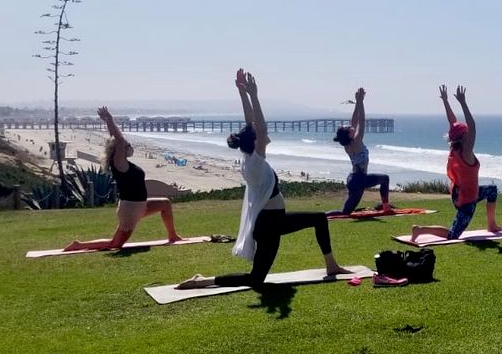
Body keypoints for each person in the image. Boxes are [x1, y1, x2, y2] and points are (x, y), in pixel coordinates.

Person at [178, 69, 351, 289]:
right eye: (260, 136)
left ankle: (331, 265)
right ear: (256, 141)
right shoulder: (256, 163)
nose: (266, 136)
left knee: (318, 219)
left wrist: (243, 94)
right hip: (271, 224)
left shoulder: (248, 158)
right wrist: (255, 95)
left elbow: (252, 124)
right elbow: (260, 126)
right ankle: (203, 281)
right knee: (256, 279)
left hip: (271, 222)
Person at [63, 106, 182, 251]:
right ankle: (79, 245)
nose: (130, 147)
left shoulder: (122, 163)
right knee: (115, 244)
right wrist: (110, 119)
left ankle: (173, 236)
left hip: (140, 205)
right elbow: (118, 140)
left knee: (165, 204)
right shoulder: (119, 163)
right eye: (127, 146)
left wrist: (108, 122)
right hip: (130, 209)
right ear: (120, 150)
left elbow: (116, 139)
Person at [411, 85, 502, 242]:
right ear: (464, 137)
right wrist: (463, 103)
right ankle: (420, 229)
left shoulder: (454, 148)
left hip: (458, 192)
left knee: (491, 190)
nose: (469, 134)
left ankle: (491, 224)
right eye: (466, 133)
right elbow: (473, 127)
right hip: (466, 199)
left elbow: (452, 122)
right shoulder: (466, 152)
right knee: (453, 235)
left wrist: (446, 101)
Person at [328, 87, 391, 216]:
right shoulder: (356, 141)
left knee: (344, 212)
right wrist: (361, 102)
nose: (351, 126)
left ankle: (320, 216)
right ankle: (386, 208)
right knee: (385, 179)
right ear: (349, 134)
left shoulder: (348, 144)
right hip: (359, 180)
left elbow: (354, 122)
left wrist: (357, 103)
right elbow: (361, 122)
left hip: (353, 179)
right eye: (349, 128)